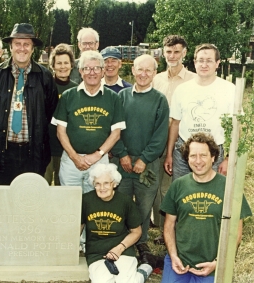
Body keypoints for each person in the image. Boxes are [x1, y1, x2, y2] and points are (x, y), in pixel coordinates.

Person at [160, 132, 252, 283]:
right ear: (187, 158)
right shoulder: (178, 185)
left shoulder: (229, 187)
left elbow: (236, 233)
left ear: (213, 157)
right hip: (180, 261)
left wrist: (218, 263)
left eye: (203, 155)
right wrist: (173, 255)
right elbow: (169, 225)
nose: (198, 161)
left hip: (212, 263)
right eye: (193, 156)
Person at [0, 23, 58, 185]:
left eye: (26, 44)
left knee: (30, 202)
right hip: (3, 150)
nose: (21, 48)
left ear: (32, 48)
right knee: (3, 202)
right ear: (10, 47)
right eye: (17, 44)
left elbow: (50, 109)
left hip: (34, 152)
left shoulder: (44, 77)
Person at [112, 54, 169, 263]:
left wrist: (144, 159)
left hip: (148, 164)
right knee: (122, 202)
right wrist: (122, 154)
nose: (144, 74)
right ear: (133, 70)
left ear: (154, 73)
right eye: (140, 69)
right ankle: (121, 242)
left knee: (144, 206)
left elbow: (160, 135)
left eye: (149, 70)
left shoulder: (160, 100)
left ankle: (141, 240)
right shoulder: (121, 97)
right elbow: (114, 128)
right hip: (122, 162)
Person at [53, 50, 124, 193]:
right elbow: (61, 132)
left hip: (99, 161)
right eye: (87, 68)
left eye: (96, 68)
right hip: (71, 162)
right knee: (69, 204)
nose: (92, 72)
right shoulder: (68, 96)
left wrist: (97, 155)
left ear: (103, 71)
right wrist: (75, 157)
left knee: (95, 206)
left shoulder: (113, 98)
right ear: (80, 71)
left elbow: (116, 133)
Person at [164, 43, 234, 181]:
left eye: (209, 61)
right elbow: (175, 124)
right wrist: (169, 154)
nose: (204, 65)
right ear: (195, 62)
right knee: (182, 192)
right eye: (200, 60)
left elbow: (236, 128)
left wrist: (228, 159)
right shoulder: (182, 89)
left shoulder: (229, 89)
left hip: (213, 153)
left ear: (217, 63)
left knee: (209, 194)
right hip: (182, 151)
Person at [151, 35, 196, 243]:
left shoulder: (193, 81)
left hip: (179, 142)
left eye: (176, 52)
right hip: (156, 140)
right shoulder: (157, 78)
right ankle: (163, 230)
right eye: (168, 52)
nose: (172, 56)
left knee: (172, 187)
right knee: (157, 186)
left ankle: (178, 230)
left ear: (184, 53)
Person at [82, 163, 154, 283]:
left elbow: (136, 232)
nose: (102, 188)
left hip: (122, 249)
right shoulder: (86, 200)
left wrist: (119, 249)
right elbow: (77, 229)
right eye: (97, 184)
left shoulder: (125, 201)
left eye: (106, 183)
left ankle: (145, 269)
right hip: (96, 252)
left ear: (114, 184)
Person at [44, 43, 78, 186]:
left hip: (67, 147)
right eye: (59, 63)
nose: (63, 67)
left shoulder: (77, 89)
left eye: (66, 62)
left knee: (62, 187)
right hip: (46, 145)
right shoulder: (44, 85)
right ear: (53, 65)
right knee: (43, 183)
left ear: (71, 65)